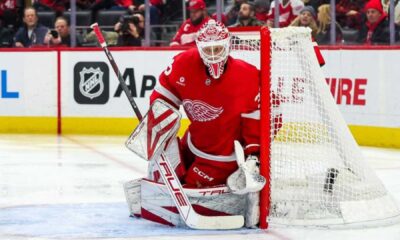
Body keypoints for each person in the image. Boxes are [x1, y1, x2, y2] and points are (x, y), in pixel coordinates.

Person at [152, 19, 265, 188]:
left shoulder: (247, 75)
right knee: (163, 179)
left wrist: (254, 154)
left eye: (217, 49)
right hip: (192, 142)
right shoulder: (184, 63)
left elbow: (262, 113)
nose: (213, 55)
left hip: (222, 157)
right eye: (207, 49)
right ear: (199, 47)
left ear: (227, 46)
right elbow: (163, 94)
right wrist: (159, 121)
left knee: (188, 189)